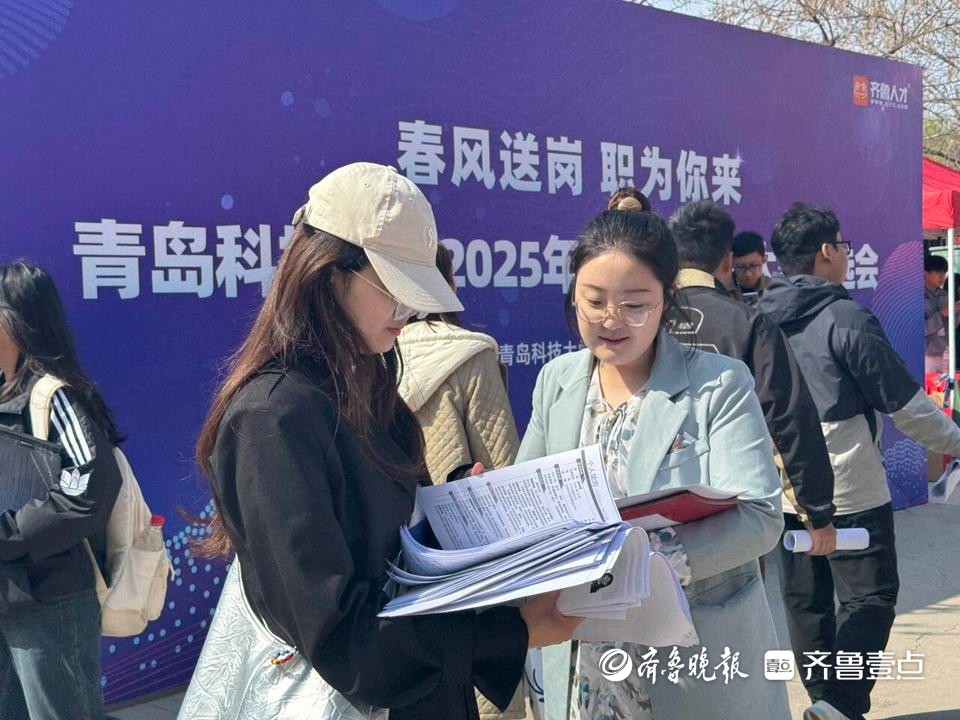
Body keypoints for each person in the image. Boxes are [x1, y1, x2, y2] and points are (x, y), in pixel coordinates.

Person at [191, 163, 581, 720]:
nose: (409, 311)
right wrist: (507, 633)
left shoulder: (367, 382)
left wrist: (458, 512)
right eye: (395, 289)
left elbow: (387, 549)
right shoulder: (272, 418)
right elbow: (342, 638)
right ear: (328, 273)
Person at [518, 209, 788, 720]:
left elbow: (760, 517)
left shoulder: (718, 385)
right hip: (582, 660)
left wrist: (641, 566)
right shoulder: (557, 381)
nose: (611, 319)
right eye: (594, 301)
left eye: (635, 304)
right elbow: (531, 495)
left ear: (667, 297)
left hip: (689, 660)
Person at [759, 203, 960, 720]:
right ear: (827, 251)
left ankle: (822, 702)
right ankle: (839, 705)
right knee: (870, 596)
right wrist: (953, 440)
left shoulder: (758, 317)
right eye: (843, 246)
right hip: (847, 484)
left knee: (805, 602)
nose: (846, 255)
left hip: (781, 485)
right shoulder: (845, 318)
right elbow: (904, 404)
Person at [396, 245, 526, 720]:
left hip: (392, 579)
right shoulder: (470, 355)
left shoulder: (360, 356)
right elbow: (503, 474)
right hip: (467, 575)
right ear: (448, 288)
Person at [666, 200, 837, 554]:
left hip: (651, 507)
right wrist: (816, 512)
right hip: (728, 509)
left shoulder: (644, 320)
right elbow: (787, 419)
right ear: (727, 260)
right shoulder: (748, 324)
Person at [0, 262, 123, 720]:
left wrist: (8, 533)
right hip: (9, 597)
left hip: (49, 598)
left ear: (17, 321)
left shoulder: (54, 397)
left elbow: (87, 489)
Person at [397, 244, 521, 486]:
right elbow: (501, 464)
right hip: (455, 506)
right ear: (448, 288)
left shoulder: (368, 355)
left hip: (392, 507)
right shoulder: (472, 355)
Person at [924, 254, 948, 373]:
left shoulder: (944, 294)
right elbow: (920, 329)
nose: (942, 276)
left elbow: (951, 326)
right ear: (926, 274)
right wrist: (942, 314)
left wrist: (955, 313)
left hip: (944, 351)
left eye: (944, 272)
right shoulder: (917, 296)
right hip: (926, 353)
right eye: (938, 272)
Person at [731, 230, 771, 303]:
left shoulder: (774, 289)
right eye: (741, 267)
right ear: (731, 262)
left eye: (753, 266)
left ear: (764, 260)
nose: (748, 274)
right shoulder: (721, 289)